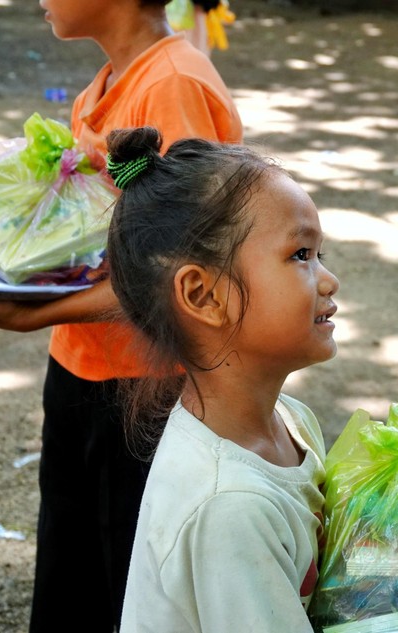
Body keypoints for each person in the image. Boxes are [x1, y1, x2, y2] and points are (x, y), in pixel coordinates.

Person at [0, 1, 242, 630]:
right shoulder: (108, 83)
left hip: (146, 387)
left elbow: (182, 271)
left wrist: (29, 315)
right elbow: (102, 244)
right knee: (71, 568)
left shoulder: (173, 84)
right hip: (82, 367)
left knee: (129, 582)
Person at [103, 127, 338, 632]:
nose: (328, 279)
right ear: (203, 295)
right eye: (300, 255)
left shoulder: (291, 423)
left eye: (320, 254)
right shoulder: (229, 505)